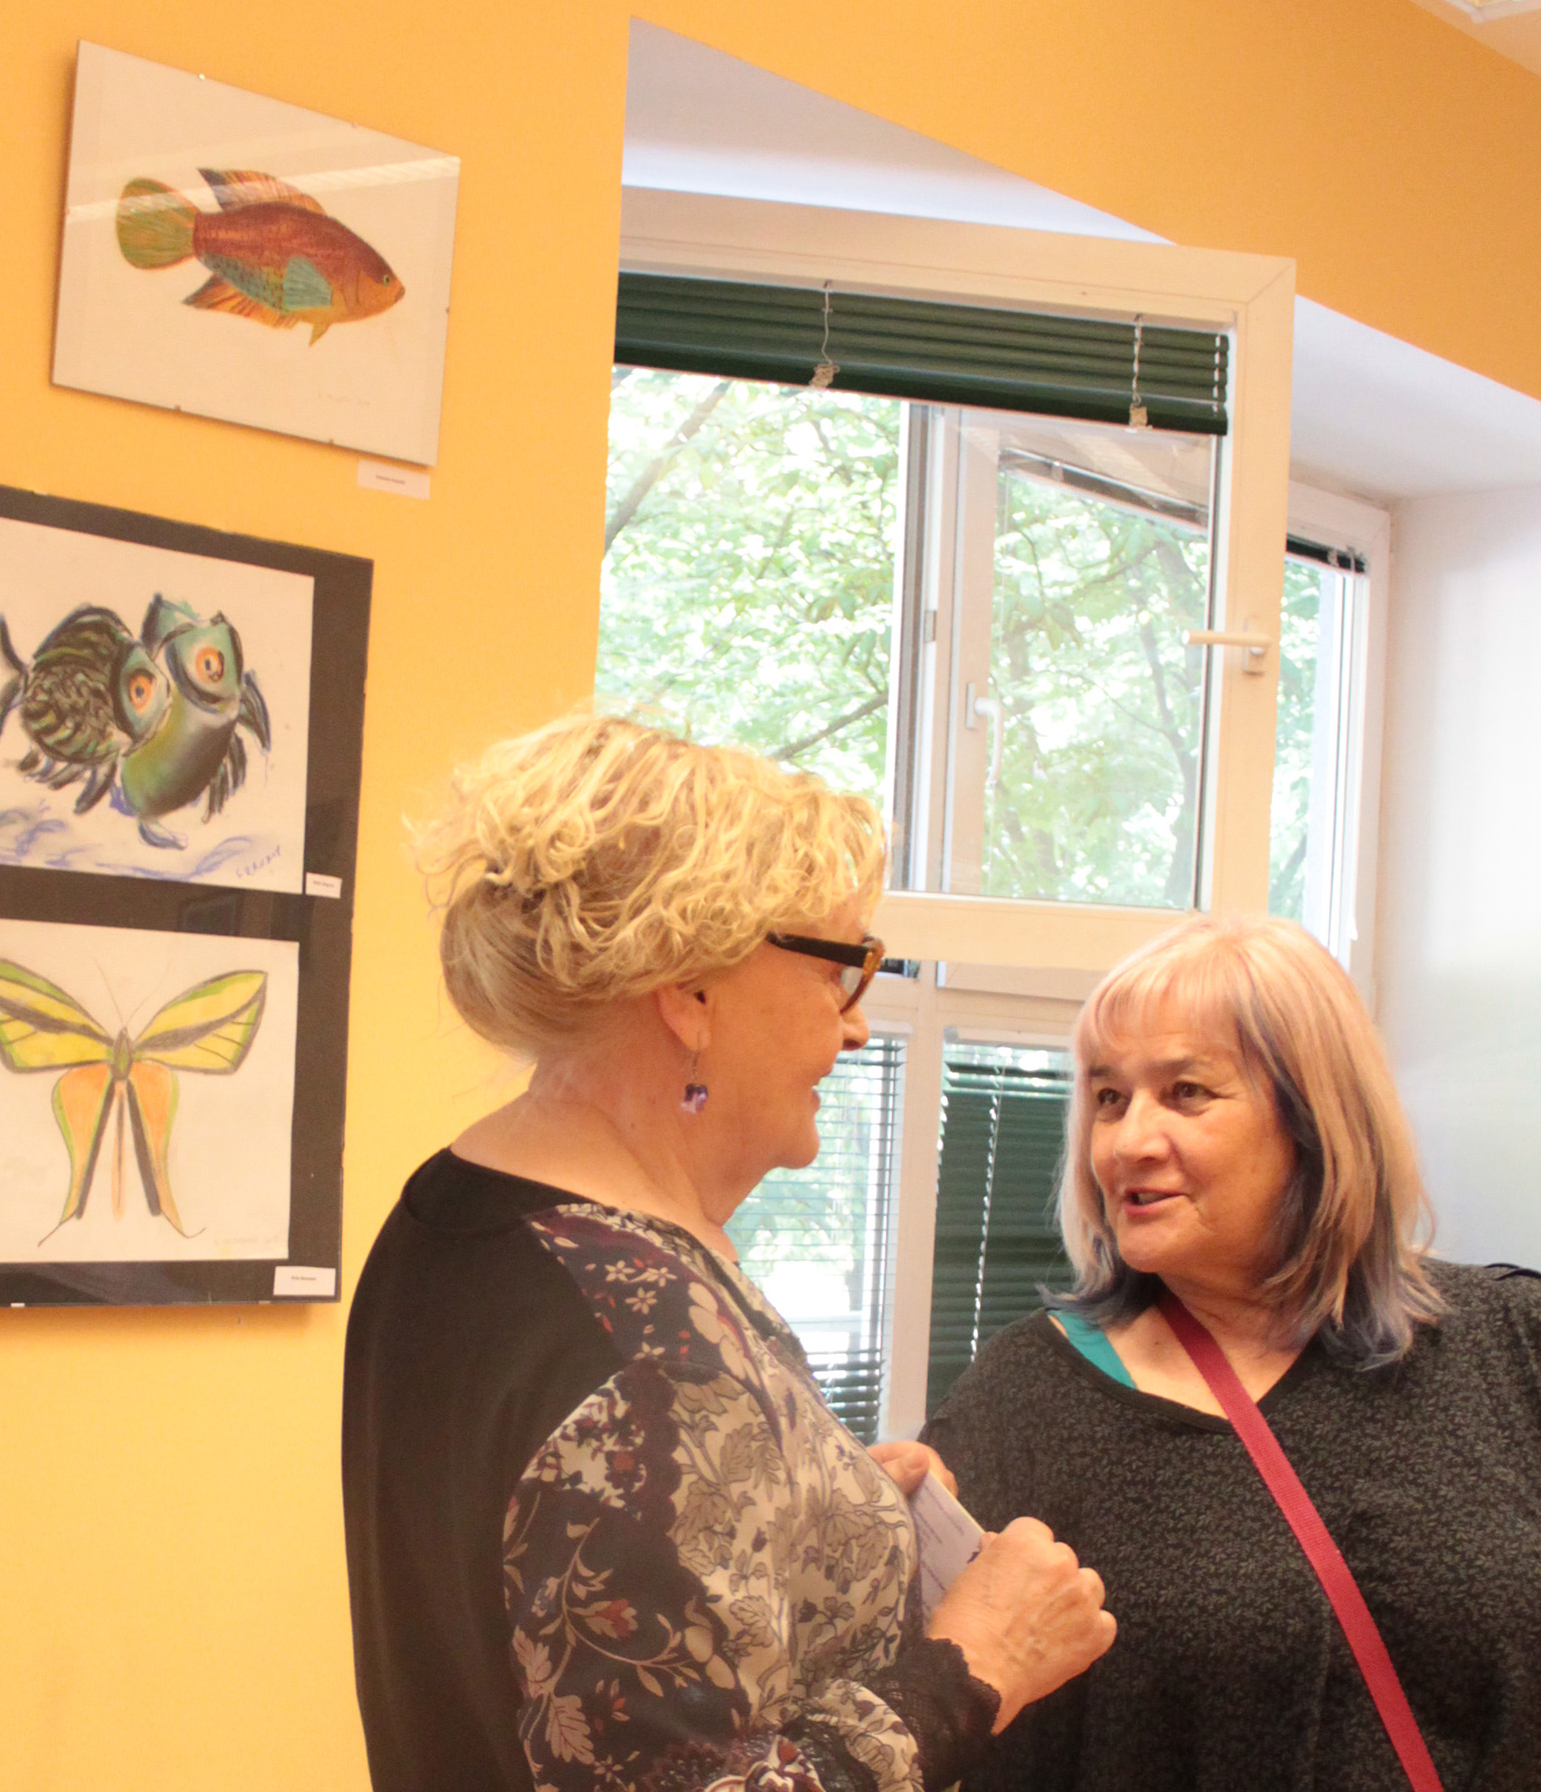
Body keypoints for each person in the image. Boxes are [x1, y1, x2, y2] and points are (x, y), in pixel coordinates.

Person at [343, 713, 1116, 1792]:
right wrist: (976, 1665)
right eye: (840, 969)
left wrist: (820, 1504)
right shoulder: (658, 1360)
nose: (854, 1026)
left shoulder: (452, 1213)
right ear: (692, 988)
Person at [929, 913, 1541, 1790]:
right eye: (1108, 1098)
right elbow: (923, 1724)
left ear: (1314, 1119)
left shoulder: (1519, 1344)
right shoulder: (1023, 1400)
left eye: (1186, 1091)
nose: (1129, 1140)